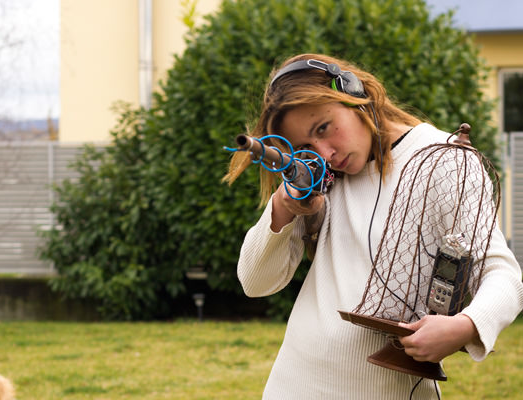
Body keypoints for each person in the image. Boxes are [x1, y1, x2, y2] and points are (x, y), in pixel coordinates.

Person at [224, 53, 523, 399]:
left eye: (324, 128)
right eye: (306, 147)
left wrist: (464, 327)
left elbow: (503, 276)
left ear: (355, 94)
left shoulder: (447, 162)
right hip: (294, 386)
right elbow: (255, 282)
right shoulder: (317, 178)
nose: (326, 154)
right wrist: (284, 205)